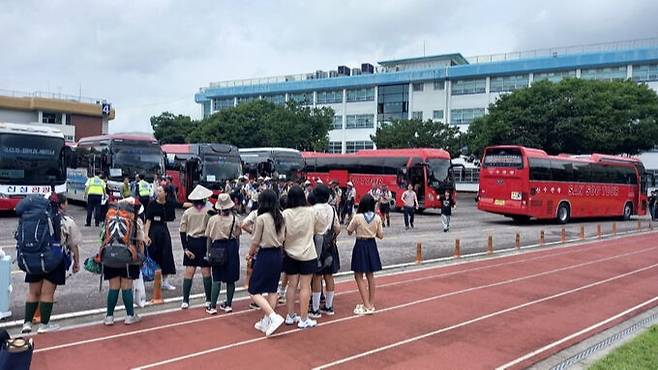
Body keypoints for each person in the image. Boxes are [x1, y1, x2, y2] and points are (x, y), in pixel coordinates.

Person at [21, 193, 81, 334]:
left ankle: (27, 323)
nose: (67, 205)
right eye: (65, 203)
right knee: (47, 293)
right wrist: (76, 262)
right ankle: (44, 325)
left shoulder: (34, 217)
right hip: (53, 260)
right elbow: (73, 245)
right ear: (60, 205)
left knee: (33, 292)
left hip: (33, 258)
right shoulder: (65, 221)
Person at [280, 186, 321, 328]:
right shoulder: (311, 211)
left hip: (290, 253)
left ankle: (290, 315)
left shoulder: (285, 213)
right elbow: (318, 229)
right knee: (305, 287)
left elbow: (282, 235)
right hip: (308, 253)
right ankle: (304, 319)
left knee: (291, 286)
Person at [247, 190, 286, 336]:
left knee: (254, 289)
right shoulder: (281, 217)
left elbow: (255, 240)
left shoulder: (261, 218)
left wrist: (250, 254)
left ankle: (273, 317)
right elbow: (282, 238)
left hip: (265, 254)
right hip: (277, 254)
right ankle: (267, 320)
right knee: (272, 289)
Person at [103, 197, 144, 326]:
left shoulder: (109, 217)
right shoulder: (135, 220)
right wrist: (140, 257)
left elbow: (103, 236)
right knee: (127, 287)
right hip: (128, 256)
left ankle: (109, 316)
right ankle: (129, 316)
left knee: (113, 287)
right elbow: (140, 241)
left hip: (110, 254)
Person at [204, 193, 242, 314]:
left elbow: (209, 238)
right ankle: (228, 304)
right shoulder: (235, 219)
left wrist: (208, 252)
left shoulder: (213, 220)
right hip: (231, 247)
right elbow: (237, 238)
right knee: (231, 279)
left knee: (217, 277)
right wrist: (235, 250)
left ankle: (213, 305)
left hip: (217, 247)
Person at [179, 185, 214, 310]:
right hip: (204, 242)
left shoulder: (187, 213)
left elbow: (182, 231)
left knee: (189, 271)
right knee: (206, 271)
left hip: (191, 242)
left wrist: (185, 248)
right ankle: (208, 300)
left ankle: (185, 300)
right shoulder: (209, 212)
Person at [347, 194, 383, 315]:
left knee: (358, 275)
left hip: (361, 244)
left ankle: (366, 305)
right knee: (370, 275)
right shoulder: (377, 217)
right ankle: (371, 303)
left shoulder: (357, 217)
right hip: (372, 245)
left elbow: (349, 231)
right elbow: (381, 235)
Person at [311, 184, 341, 317]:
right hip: (329, 245)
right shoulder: (332, 209)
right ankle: (328, 306)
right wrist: (332, 238)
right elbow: (338, 228)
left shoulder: (313, 209)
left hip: (316, 244)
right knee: (329, 276)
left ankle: (315, 308)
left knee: (317, 276)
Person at [144, 186, 177, 291]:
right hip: (153, 230)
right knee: (152, 255)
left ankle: (165, 281)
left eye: (160, 191)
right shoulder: (152, 204)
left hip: (163, 229)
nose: (158, 193)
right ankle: (150, 280)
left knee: (166, 254)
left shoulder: (168, 204)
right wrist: (146, 235)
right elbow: (148, 220)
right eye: (157, 191)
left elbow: (178, 208)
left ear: (165, 193)